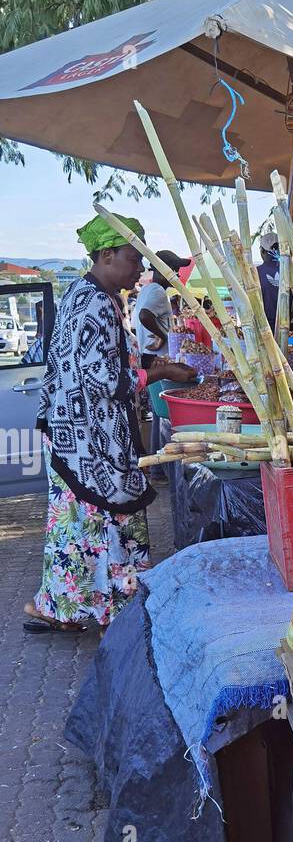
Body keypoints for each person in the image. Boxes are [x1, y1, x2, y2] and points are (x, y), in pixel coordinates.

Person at [23, 214, 194, 634]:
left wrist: (159, 364)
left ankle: (76, 606)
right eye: (135, 260)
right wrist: (159, 373)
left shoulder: (101, 297)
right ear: (106, 255)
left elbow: (117, 360)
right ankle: (109, 609)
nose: (140, 271)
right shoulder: (93, 303)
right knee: (97, 524)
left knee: (86, 526)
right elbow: (99, 377)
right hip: (85, 441)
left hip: (85, 437)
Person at [133, 250, 190, 366]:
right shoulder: (158, 291)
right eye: (174, 270)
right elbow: (144, 316)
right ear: (162, 271)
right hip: (155, 357)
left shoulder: (146, 289)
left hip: (147, 354)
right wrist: (162, 337)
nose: (177, 275)